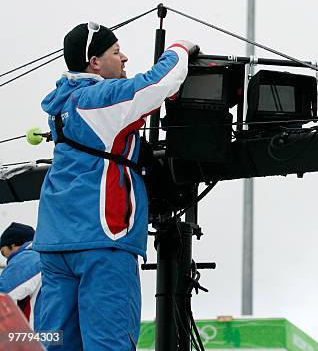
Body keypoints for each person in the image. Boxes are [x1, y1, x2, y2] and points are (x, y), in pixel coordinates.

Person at [33, 21, 199, 350]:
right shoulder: (100, 100)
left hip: (55, 243)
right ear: (94, 62)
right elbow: (158, 83)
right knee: (109, 344)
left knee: (58, 344)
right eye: (116, 51)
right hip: (102, 240)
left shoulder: (61, 104)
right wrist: (180, 49)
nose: (124, 58)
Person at [0, 222, 41, 327]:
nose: (9, 261)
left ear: (13, 244)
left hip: (39, 337)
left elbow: (3, 294)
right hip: (61, 334)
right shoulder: (51, 258)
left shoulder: (28, 258)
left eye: (3, 253)